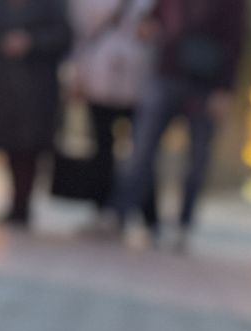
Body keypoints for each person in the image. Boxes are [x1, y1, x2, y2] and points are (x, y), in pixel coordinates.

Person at [114, 0, 245, 250]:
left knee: (197, 160)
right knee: (142, 149)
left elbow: (236, 39)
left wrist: (225, 89)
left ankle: (183, 226)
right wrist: (147, 29)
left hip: (207, 82)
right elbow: (152, 19)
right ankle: (121, 213)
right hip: (168, 72)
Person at [0, 0, 71, 227]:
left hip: (36, 86)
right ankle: (16, 204)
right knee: (10, 144)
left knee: (28, 146)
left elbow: (63, 36)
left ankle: (21, 205)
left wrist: (32, 42)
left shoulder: (50, 5)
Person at [67, 0, 158, 230]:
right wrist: (77, 74)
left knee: (142, 151)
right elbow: (80, 33)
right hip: (98, 76)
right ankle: (102, 209)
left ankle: (147, 215)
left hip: (138, 81)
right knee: (101, 147)